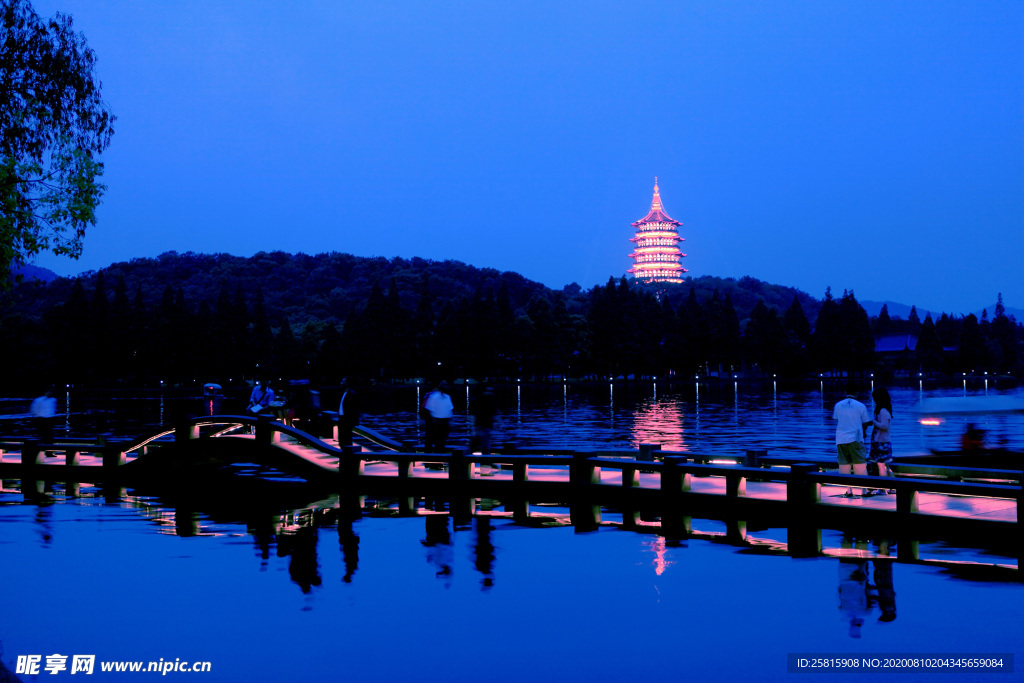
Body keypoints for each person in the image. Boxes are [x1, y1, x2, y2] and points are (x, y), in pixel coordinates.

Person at [832, 386, 872, 497]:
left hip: (840, 439)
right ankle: (864, 490)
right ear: (856, 393)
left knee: (844, 465)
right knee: (860, 465)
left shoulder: (838, 405)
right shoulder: (860, 406)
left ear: (846, 392)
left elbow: (836, 419)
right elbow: (866, 422)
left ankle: (849, 490)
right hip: (856, 438)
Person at [867, 387, 896, 495]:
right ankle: (893, 487)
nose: (874, 400)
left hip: (881, 443)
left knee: (881, 466)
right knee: (886, 466)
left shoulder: (883, 411)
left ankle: (883, 488)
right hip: (881, 442)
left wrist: (873, 421)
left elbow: (884, 426)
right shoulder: (884, 410)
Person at [471, 386, 498, 475]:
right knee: (485, 447)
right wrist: (474, 428)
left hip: (486, 426)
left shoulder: (490, 400)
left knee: (485, 446)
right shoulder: (479, 400)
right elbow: (474, 415)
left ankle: (486, 463)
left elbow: (494, 414)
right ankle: (484, 468)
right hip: (482, 426)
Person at [423, 381, 454, 453]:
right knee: (434, 440)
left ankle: (439, 457)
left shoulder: (447, 397)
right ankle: (430, 458)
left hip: (444, 421)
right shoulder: (434, 397)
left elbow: (450, 410)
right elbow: (429, 410)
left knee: (441, 441)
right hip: (436, 421)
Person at [337, 377, 360, 447]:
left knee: (346, 437)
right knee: (341, 437)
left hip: (347, 419)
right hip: (342, 418)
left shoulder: (351, 393)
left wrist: (354, 421)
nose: (341, 383)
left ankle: (347, 453)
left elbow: (355, 408)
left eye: (343, 381)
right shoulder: (344, 392)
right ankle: (343, 451)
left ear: (347, 383)